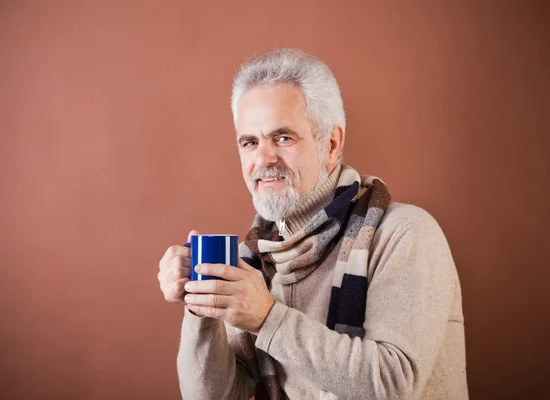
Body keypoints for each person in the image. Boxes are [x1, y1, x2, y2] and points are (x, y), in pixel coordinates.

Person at [157, 49, 468, 400]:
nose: (263, 158)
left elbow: (394, 386)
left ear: (331, 144)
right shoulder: (252, 261)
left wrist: (267, 318)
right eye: (250, 142)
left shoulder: (406, 234)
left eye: (283, 138)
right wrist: (202, 303)